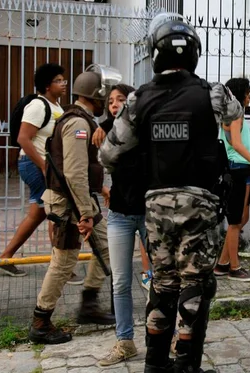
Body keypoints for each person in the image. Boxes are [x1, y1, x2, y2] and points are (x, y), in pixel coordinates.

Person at [99, 13, 243, 373]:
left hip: (157, 204)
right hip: (202, 203)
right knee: (196, 284)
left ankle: (154, 363)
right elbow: (237, 112)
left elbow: (109, 155)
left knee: (163, 283)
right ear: (194, 51)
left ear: (154, 53)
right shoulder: (212, 92)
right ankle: (186, 364)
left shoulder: (139, 100)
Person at [28, 66, 120, 345]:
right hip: (69, 204)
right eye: (106, 95)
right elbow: (74, 173)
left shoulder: (80, 118)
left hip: (80, 200)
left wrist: (99, 190)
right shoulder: (79, 124)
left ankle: (89, 305)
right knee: (64, 260)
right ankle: (41, 321)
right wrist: (85, 213)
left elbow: (82, 170)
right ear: (97, 95)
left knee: (106, 246)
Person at [0, 63, 82, 284]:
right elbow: (23, 139)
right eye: (58, 80)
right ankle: (61, 268)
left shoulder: (55, 106)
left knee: (38, 213)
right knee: (55, 209)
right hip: (34, 165)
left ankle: (5, 257)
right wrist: (45, 166)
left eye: (64, 80)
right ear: (47, 85)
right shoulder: (38, 106)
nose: (64, 83)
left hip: (43, 166)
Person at [91, 84, 152, 366]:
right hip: (119, 214)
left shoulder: (146, 128)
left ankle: (171, 334)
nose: (114, 104)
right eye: (110, 101)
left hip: (151, 213)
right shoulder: (103, 130)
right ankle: (125, 341)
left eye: (120, 100)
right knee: (120, 283)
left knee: (162, 280)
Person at [214, 78, 250, 282]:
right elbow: (237, 145)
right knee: (236, 221)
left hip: (241, 170)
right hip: (238, 169)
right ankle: (234, 267)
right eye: (248, 92)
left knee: (241, 218)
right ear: (240, 94)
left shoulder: (232, 114)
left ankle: (222, 264)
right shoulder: (234, 114)